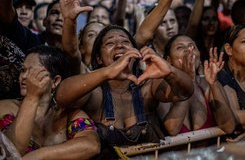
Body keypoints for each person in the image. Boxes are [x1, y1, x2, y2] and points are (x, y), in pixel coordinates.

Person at [55, 24, 194, 158]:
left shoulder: (147, 85)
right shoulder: (95, 91)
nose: (120, 45)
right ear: (99, 58)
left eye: (125, 42)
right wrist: (109, 72)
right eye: (110, 44)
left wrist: (170, 72)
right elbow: (61, 96)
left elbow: (184, 92)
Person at [0, 45, 100, 159]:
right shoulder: (5, 107)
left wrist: (39, 156)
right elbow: (12, 151)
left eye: (33, 72)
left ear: (55, 81)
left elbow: (92, 146)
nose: (24, 76)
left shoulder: (69, 115)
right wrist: (32, 98)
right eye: (23, 70)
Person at [161, 35, 236, 136]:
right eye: (180, 47)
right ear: (168, 60)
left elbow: (229, 127)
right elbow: (172, 129)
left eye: (192, 46)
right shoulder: (163, 86)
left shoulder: (208, 84)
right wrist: (188, 81)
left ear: (199, 55)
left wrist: (213, 84)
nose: (188, 50)